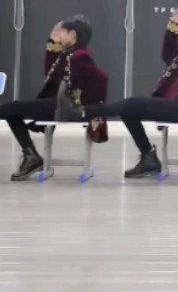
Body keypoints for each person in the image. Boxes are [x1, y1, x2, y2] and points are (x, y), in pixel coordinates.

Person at [58, 8, 178, 179]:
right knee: (128, 111)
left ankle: (81, 111)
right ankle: (148, 157)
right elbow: (168, 56)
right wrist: (173, 29)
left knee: (133, 103)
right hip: (171, 103)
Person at [0, 16, 108, 181]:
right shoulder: (69, 54)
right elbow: (50, 70)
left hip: (64, 106)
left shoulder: (80, 56)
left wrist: (86, 105)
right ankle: (31, 155)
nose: (59, 35)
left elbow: (101, 78)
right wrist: (53, 41)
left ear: (73, 34)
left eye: (62, 32)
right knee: (10, 110)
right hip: (56, 103)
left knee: (9, 109)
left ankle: (31, 156)